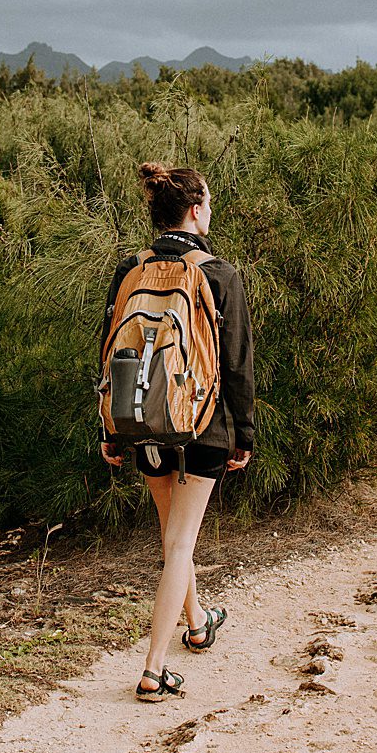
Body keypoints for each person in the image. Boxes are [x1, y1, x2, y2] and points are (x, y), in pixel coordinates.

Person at [99, 161, 255, 703]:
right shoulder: (219, 274)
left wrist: (110, 429)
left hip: (141, 420)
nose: (210, 210)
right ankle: (153, 669)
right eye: (208, 202)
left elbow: (108, 350)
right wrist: (244, 434)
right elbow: (237, 364)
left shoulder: (131, 270)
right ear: (194, 210)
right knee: (181, 543)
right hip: (201, 425)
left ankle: (198, 623)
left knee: (172, 539)